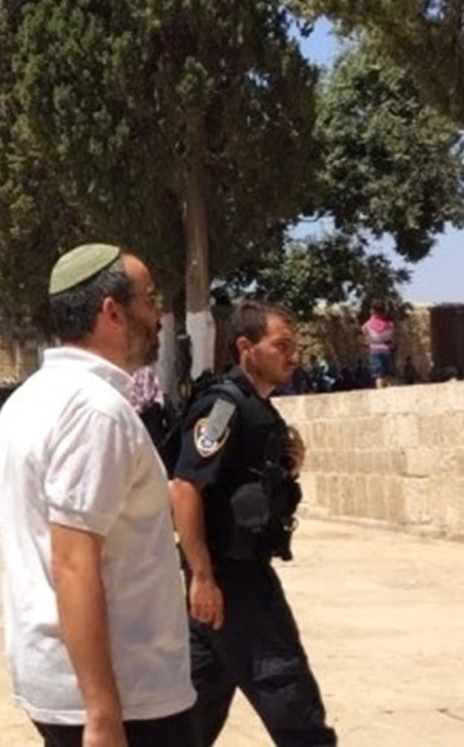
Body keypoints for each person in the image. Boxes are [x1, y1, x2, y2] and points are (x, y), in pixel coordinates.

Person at [0, 244, 194, 746]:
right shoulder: (96, 409)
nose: (158, 316)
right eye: (148, 300)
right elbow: (73, 561)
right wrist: (102, 714)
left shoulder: (31, 397)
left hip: (65, 678)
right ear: (112, 312)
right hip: (123, 692)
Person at [170, 301, 336, 746]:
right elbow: (184, 487)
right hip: (234, 581)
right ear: (246, 348)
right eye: (282, 346)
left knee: (197, 707)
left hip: (230, 577)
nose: (293, 357)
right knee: (288, 694)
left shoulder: (255, 406)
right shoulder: (224, 406)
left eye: (295, 347)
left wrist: (286, 466)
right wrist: (202, 576)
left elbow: (242, 481)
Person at [361, 303, 396, 389]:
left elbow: (364, 330)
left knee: (378, 375)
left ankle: (380, 390)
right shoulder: (389, 324)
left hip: (374, 350)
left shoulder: (368, 324)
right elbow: (389, 338)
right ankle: (390, 390)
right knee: (388, 373)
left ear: (372, 311)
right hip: (386, 350)